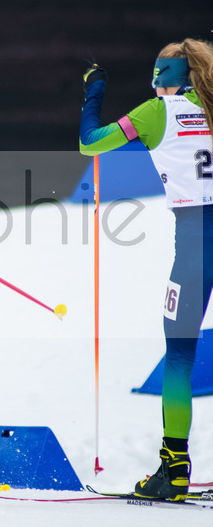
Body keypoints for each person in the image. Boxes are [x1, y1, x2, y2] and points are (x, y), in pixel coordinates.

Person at [79, 39, 213, 501]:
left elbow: (89, 143)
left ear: (166, 75)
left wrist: (94, 91)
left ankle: (174, 471)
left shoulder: (159, 113)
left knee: (179, 356)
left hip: (196, 241)